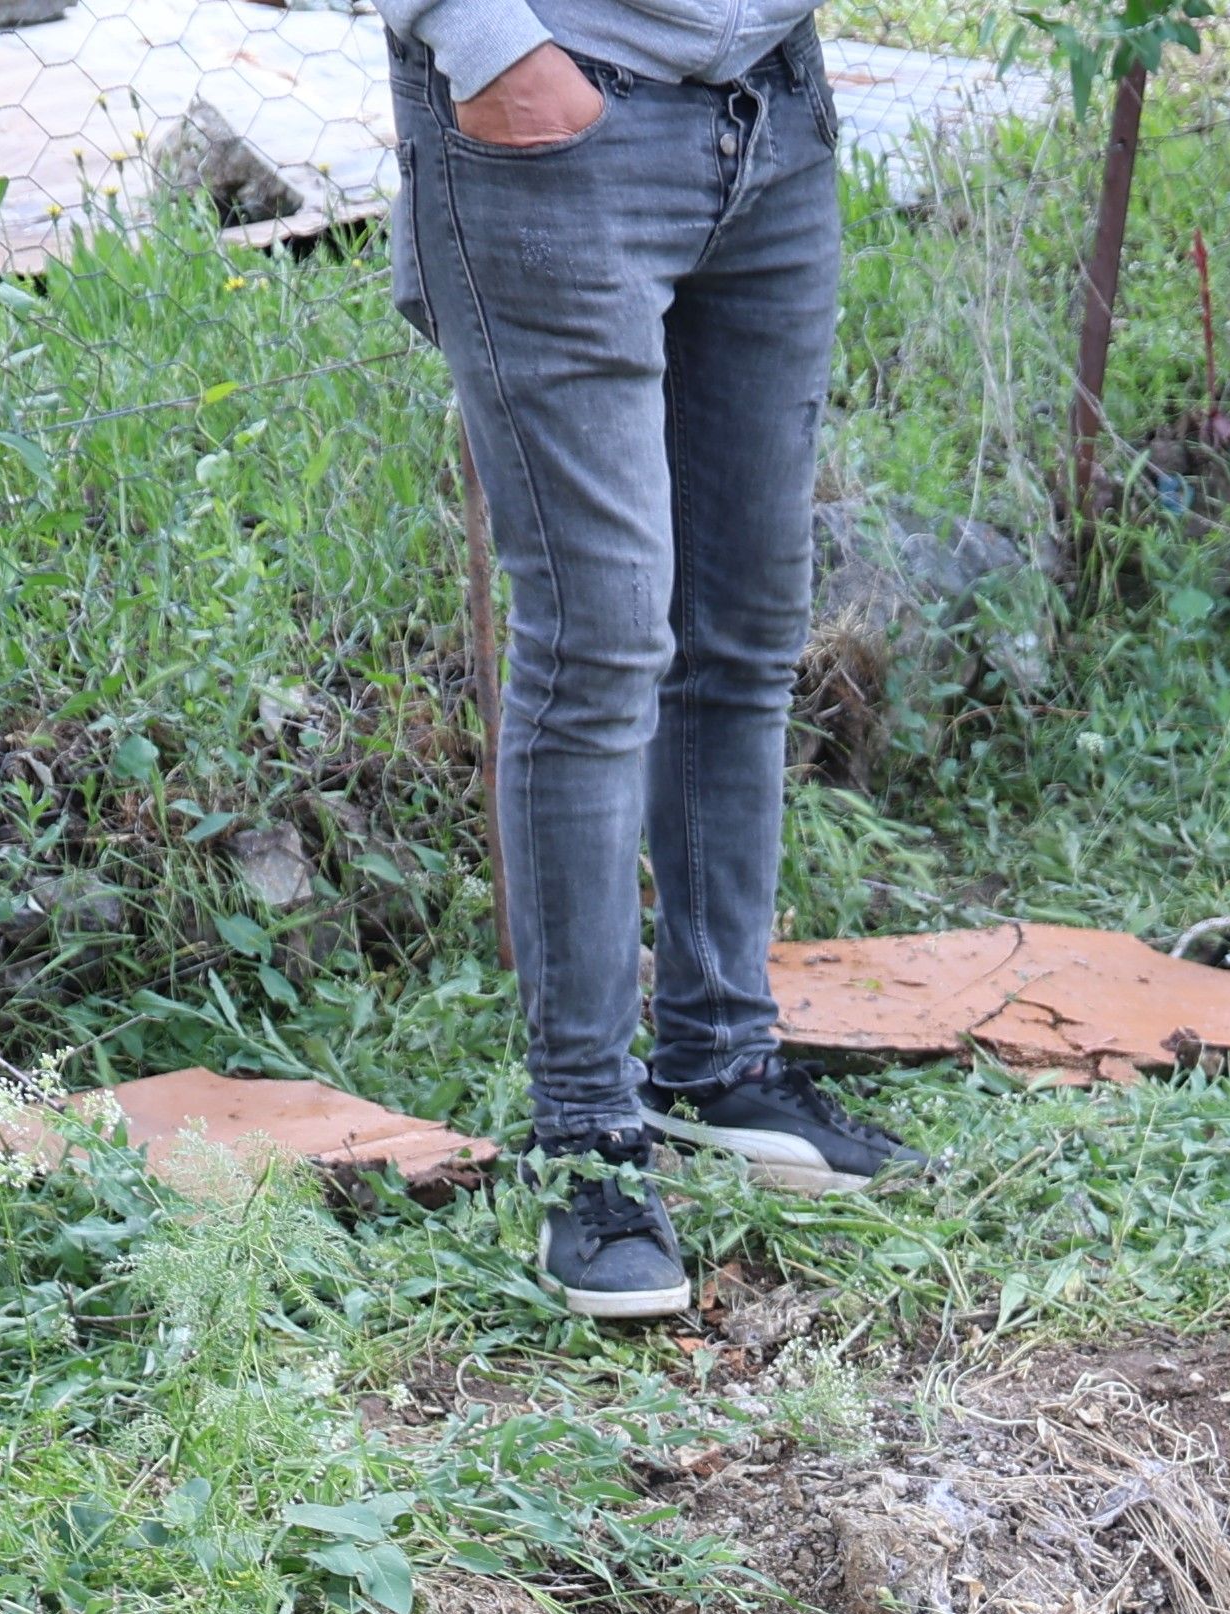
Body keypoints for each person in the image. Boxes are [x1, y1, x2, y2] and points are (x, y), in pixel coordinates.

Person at [385, 0, 915, 1320]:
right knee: (600, 639)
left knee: (745, 628)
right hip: (560, 119)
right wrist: (484, 42)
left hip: (770, 110)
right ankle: (583, 1134)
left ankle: (718, 1062)